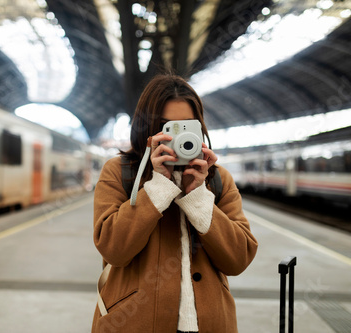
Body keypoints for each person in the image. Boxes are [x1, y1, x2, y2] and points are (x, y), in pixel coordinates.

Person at [91, 73, 258, 333]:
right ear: (147, 128)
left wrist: (198, 195)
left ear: (200, 128)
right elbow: (114, 249)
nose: (178, 138)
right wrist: (158, 188)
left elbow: (238, 259)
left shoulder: (217, 178)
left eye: (187, 127)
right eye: (167, 126)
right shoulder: (120, 172)